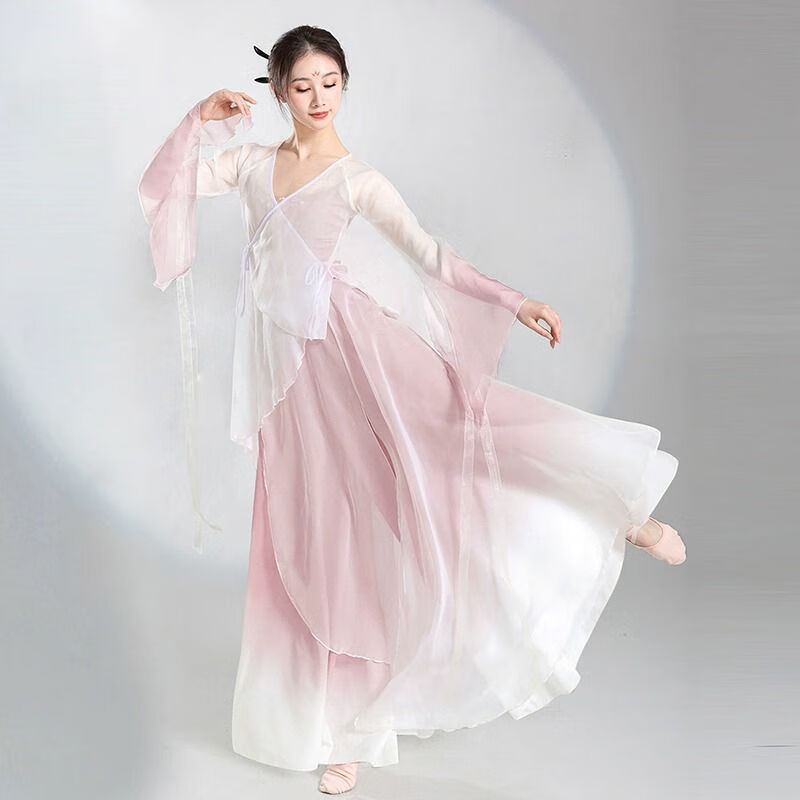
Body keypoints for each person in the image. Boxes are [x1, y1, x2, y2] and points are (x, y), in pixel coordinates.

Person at [137, 24, 686, 796]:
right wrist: (199, 117)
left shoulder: (356, 179)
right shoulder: (252, 164)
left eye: (331, 82)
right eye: (303, 85)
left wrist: (515, 301)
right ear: (278, 90)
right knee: (317, 537)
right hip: (290, 385)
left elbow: (430, 255)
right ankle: (339, 725)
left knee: (458, 439)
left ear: (344, 84)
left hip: (359, 354)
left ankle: (615, 502)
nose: (319, 98)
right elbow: (169, 186)